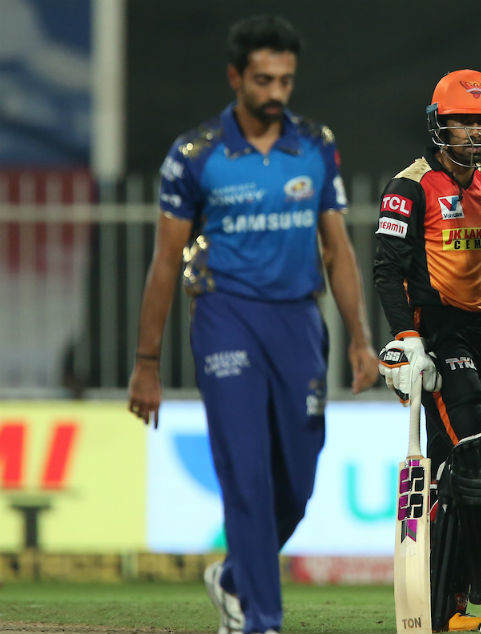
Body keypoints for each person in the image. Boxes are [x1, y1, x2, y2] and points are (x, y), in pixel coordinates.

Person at [126, 15, 378, 634]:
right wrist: (146, 363)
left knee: (297, 484)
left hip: (298, 321)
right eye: (264, 80)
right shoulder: (195, 155)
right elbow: (165, 262)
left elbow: (338, 249)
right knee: (245, 470)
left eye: (285, 81)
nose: (276, 93)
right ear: (236, 77)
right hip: (225, 316)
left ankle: (236, 578)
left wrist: (361, 339)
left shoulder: (315, 144)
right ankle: (261, 619)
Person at [373, 69, 481, 632]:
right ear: (440, 125)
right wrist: (408, 341)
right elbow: (386, 269)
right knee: (479, 457)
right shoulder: (409, 186)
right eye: (465, 122)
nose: (476, 133)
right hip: (437, 332)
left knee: (454, 471)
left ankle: (448, 607)